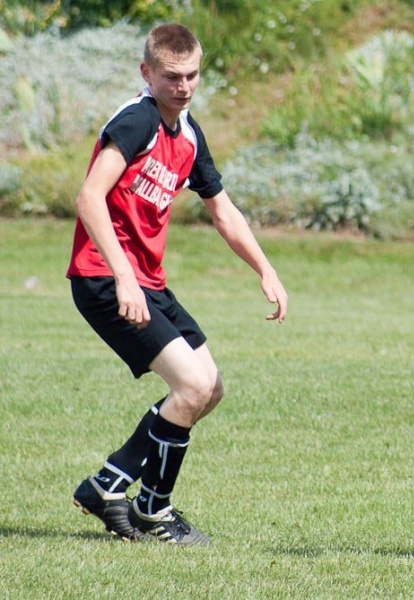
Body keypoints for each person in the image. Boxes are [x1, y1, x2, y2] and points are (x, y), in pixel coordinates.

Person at [67, 23, 288, 546]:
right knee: (190, 387)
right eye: (171, 76)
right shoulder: (138, 120)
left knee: (209, 388)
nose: (183, 86)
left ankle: (108, 485)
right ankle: (152, 509)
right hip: (104, 276)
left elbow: (223, 211)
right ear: (147, 73)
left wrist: (266, 269)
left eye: (191, 75)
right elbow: (89, 198)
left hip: (146, 281)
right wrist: (123, 276)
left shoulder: (187, 132)